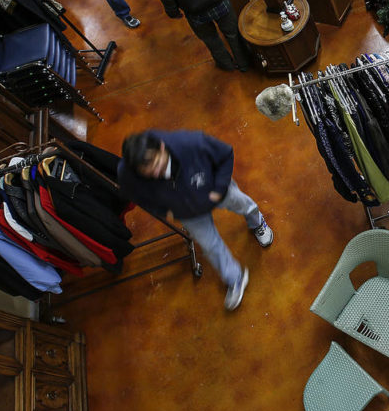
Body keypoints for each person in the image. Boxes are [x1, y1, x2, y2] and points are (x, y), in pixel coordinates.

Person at [117, 130, 274, 311]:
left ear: (161, 147)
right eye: (148, 172)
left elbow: (225, 153)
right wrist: (165, 211)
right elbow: (139, 198)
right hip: (186, 212)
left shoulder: (191, 143)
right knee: (210, 246)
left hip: (214, 189)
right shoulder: (127, 175)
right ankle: (235, 278)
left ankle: (257, 222)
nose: (156, 172)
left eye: (157, 164)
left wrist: (218, 190)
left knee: (243, 205)